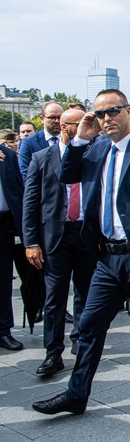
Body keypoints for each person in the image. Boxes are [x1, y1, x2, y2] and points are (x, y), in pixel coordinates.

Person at [32, 89, 130, 426]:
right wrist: (80, 140)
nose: (106, 119)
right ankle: (76, 394)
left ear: (128, 111)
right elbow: (67, 175)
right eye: (99, 114)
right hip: (106, 255)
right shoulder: (97, 147)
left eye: (113, 111)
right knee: (89, 325)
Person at [22, 108, 95, 375]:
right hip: (55, 236)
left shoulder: (92, 153)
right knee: (55, 297)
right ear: (65, 127)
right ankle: (53, 352)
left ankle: (80, 339)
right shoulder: (42, 158)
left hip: (86, 234)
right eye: (82, 123)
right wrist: (31, 241)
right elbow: (30, 203)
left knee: (86, 293)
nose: (89, 127)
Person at [0, 143, 24, 351]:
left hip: (4, 225)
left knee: (3, 279)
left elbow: (19, 189)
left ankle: (3, 330)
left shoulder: (7, 154)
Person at [19, 101, 63, 181]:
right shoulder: (29, 143)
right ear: (42, 119)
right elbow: (26, 173)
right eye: (52, 118)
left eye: (59, 117)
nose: (57, 121)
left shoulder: (71, 140)